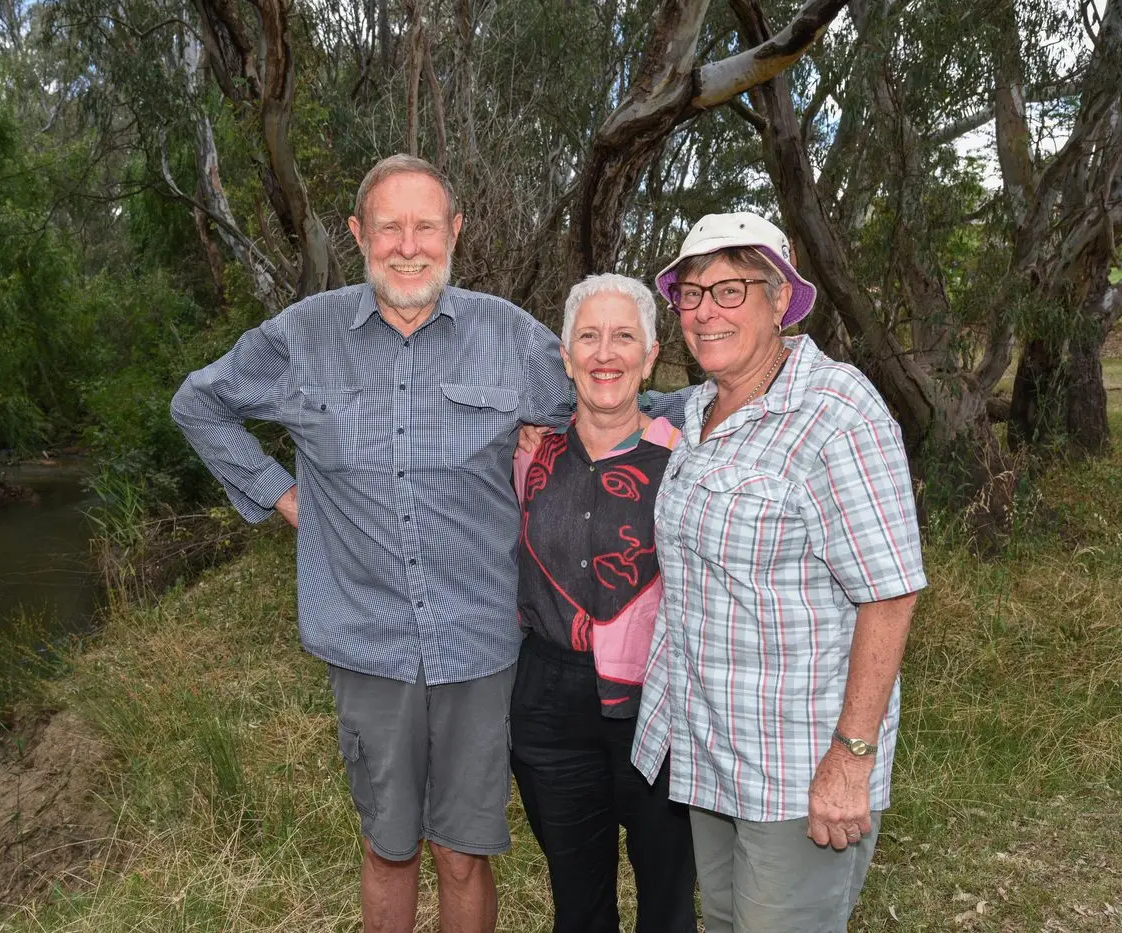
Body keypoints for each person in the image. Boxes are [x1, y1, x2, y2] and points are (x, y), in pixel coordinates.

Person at [171, 154, 689, 933]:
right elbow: (199, 403)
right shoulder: (304, 337)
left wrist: (725, 400)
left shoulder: (508, 336)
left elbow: (605, 395)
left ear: (455, 231)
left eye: (425, 225)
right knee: (389, 847)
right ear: (357, 235)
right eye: (388, 227)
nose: (407, 245)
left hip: (480, 647)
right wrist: (282, 495)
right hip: (366, 642)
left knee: (461, 851)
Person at [628, 212, 927, 933]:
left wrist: (850, 759)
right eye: (690, 294)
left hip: (799, 765)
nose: (704, 311)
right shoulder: (701, 406)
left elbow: (889, 592)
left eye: (728, 289)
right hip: (712, 748)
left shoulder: (836, 412)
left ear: (777, 299)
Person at [510, 274, 697, 933]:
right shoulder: (529, 454)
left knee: (668, 907)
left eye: (624, 337)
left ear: (650, 356)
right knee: (579, 907)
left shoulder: (688, 457)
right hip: (549, 702)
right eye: (588, 336)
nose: (604, 352)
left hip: (661, 701)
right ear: (565, 355)